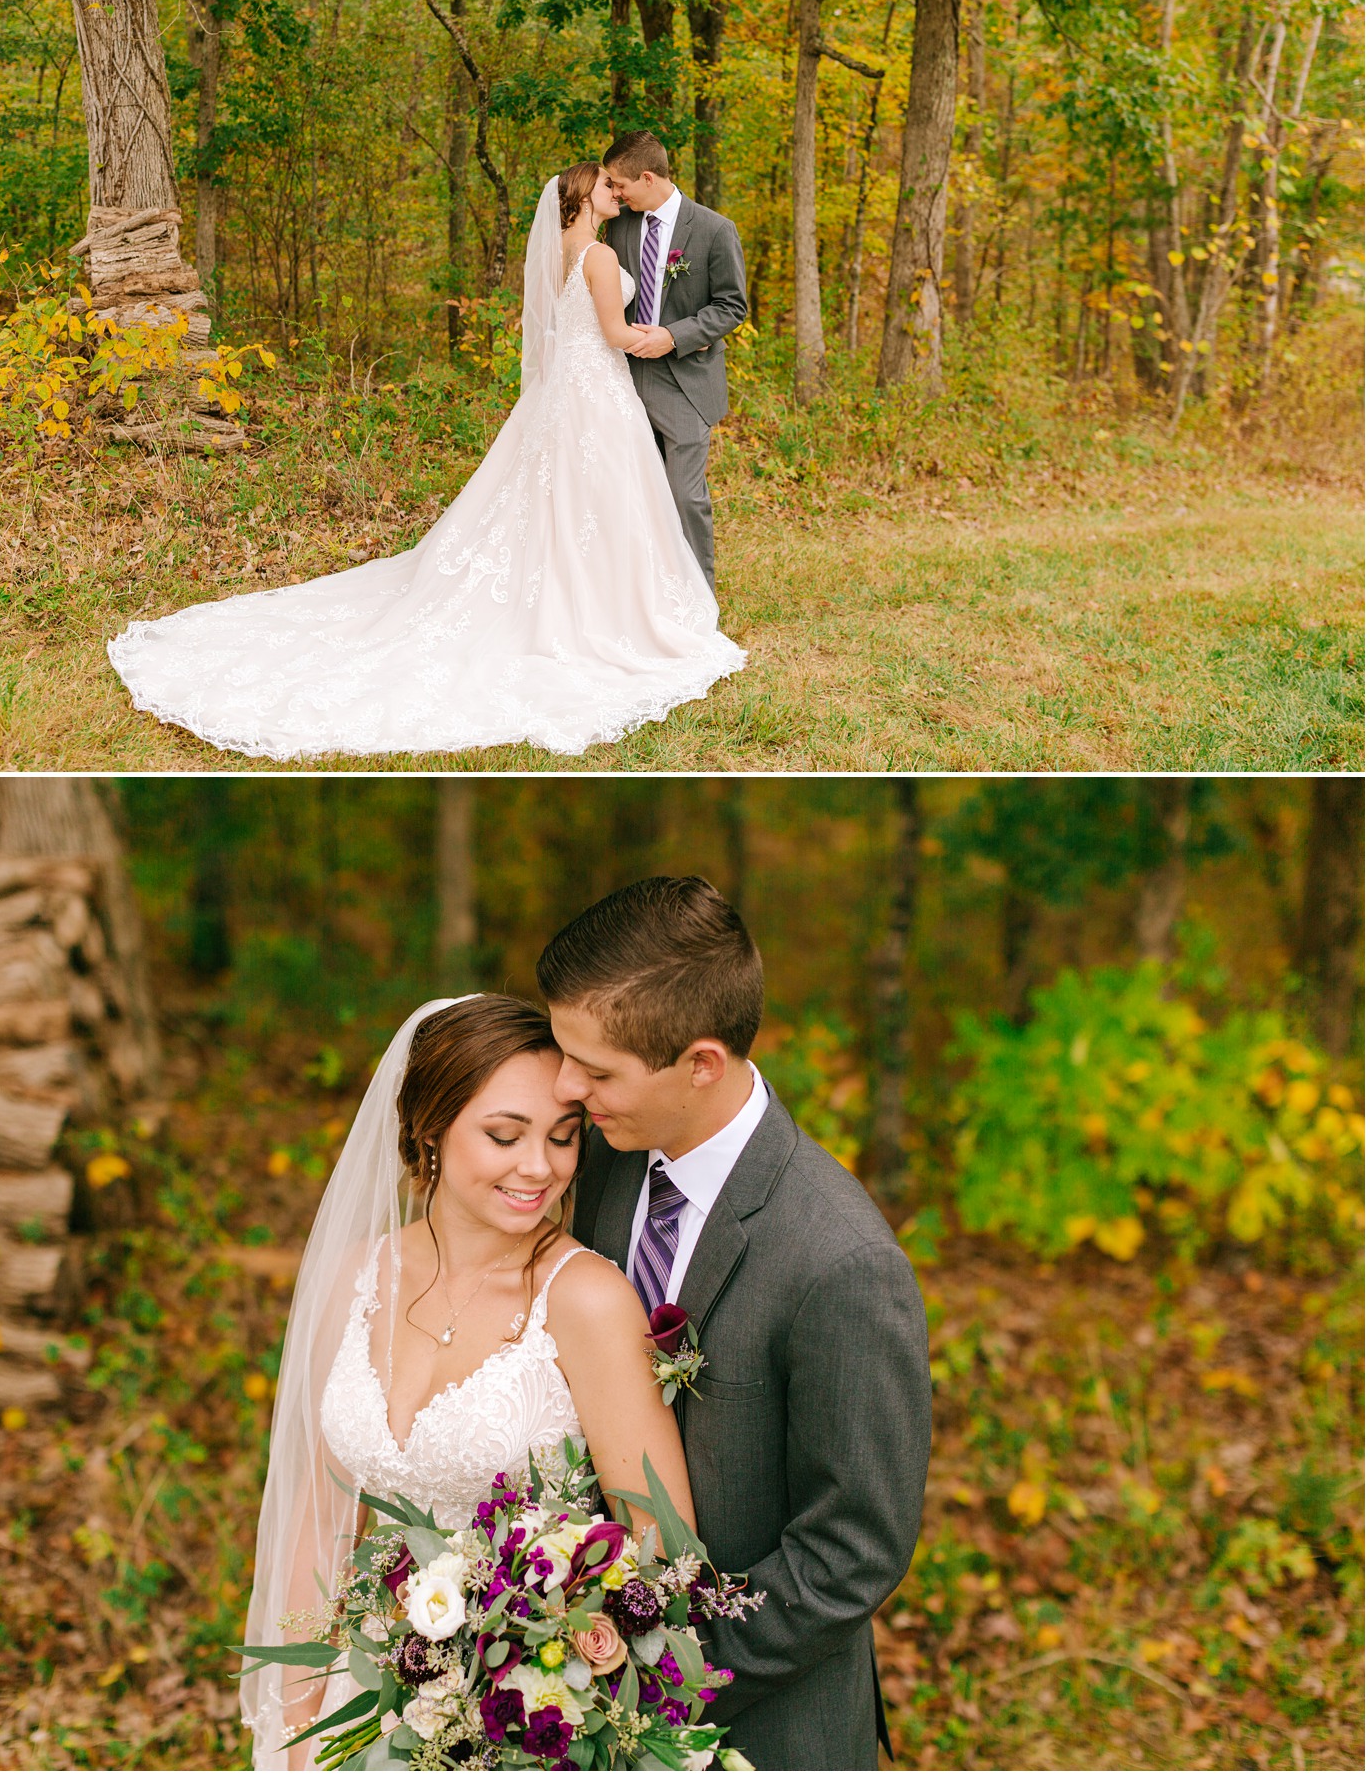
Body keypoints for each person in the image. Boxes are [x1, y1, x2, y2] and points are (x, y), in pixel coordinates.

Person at [108, 164, 744, 760]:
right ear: (582, 200)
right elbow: (611, 335)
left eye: (617, 183)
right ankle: (615, 608)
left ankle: (596, 597)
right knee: (599, 503)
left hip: (563, 398)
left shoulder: (556, 257)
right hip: (600, 390)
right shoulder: (602, 254)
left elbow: (557, 331)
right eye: (605, 186)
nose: (615, 192)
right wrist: (664, 336)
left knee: (561, 503)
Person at [239, 994, 695, 1770]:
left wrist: (538, 1683)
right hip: (356, 1713)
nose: (540, 1166)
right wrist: (294, 1725)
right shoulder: (357, 1279)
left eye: (561, 1136)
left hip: (526, 1727)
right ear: (430, 1130)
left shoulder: (587, 1299)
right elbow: (318, 1526)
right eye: (504, 1134)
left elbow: (660, 1548)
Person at [541, 876, 932, 1772]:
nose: (567, 1087)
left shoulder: (841, 1262)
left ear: (701, 1063)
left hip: (763, 1725)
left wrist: (657, 1669)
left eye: (595, 1069)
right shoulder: (604, 1157)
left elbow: (853, 1549)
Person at [603, 131, 749, 594]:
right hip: (623, 376)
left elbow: (732, 306)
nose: (616, 193)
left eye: (621, 184)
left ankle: (698, 596)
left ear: (647, 177)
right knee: (634, 490)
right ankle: (644, 590)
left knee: (685, 494)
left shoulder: (713, 229)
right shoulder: (621, 226)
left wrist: (674, 335)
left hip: (686, 379)